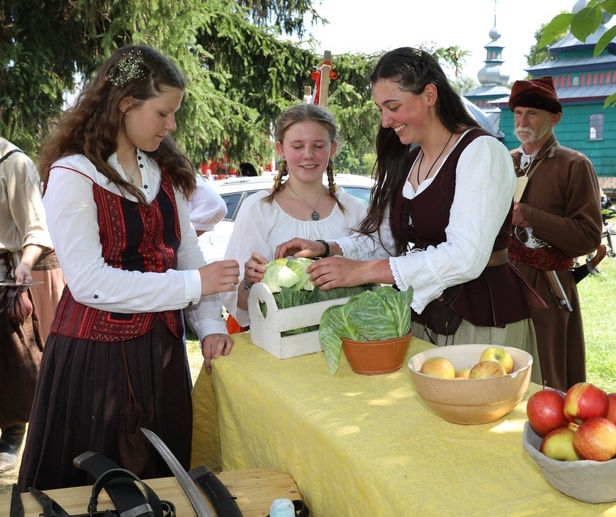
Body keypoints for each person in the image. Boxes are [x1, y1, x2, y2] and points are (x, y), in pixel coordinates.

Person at [17, 45, 240, 491]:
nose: (172, 125)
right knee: (93, 486)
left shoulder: (164, 170)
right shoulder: (73, 174)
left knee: (159, 483)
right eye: (163, 113)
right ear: (125, 104)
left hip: (161, 355)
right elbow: (90, 284)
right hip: (96, 362)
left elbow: (187, 253)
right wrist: (194, 285)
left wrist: (210, 323)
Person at [274, 48, 543, 382]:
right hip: (422, 317)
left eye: (393, 106)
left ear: (429, 95)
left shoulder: (480, 152)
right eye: (381, 109)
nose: (386, 120)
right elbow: (389, 239)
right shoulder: (411, 159)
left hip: (480, 324)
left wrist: (363, 271)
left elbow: (466, 257)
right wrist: (328, 248)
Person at [221, 103, 366, 328]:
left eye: (318, 145)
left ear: (333, 149)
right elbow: (240, 307)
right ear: (281, 150)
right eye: (297, 146)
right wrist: (249, 282)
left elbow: (372, 276)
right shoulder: (258, 209)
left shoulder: (353, 209)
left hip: (346, 336)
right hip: (280, 344)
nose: (308, 154)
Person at [506, 75, 603, 392]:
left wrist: (529, 215)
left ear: (554, 118)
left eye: (532, 113)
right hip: (504, 280)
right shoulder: (506, 162)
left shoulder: (574, 165)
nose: (523, 120)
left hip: (548, 286)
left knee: (549, 376)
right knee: (504, 365)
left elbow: (588, 236)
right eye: (518, 112)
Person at [0, 138, 53, 473]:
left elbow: (37, 230)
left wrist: (22, 273)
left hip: (5, 280)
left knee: (17, 365)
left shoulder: (13, 162)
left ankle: (14, 432)